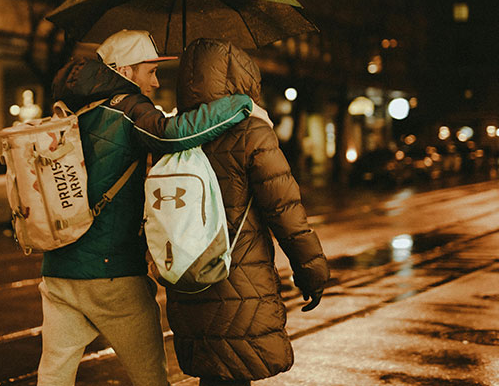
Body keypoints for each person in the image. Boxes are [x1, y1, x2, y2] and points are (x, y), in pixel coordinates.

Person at [37, 30, 268, 386]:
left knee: (54, 374)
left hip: (58, 272)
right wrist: (240, 105)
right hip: (111, 273)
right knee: (150, 378)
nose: (155, 81)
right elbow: (172, 133)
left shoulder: (75, 109)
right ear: (126, 71)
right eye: (149, 71)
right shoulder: (128, 108)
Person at [166, 38, 331, 386]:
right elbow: (285, 211)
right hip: (240, 279)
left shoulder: (173, 136)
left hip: (188, 281)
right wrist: (311, 273)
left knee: (212, 377)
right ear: (243, 80)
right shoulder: (252, 132)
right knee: (233, 374)